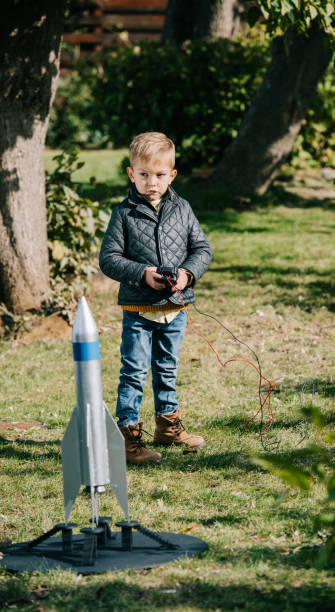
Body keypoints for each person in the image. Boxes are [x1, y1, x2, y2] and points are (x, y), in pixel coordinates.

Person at [99, 132, 212, 465]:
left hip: (174, 309)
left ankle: (167, 425)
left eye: (160, 175)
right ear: (131, 173)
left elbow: (202, 249)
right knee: (133, 372)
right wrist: (142, 273)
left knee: (168, 366)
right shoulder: (124, 214)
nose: (152, 182)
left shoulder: (183, 209)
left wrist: (187, 274)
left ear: (172, 175)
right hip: (138, 309)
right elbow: (108, 258)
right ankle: (128, 438)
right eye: (144, 174)